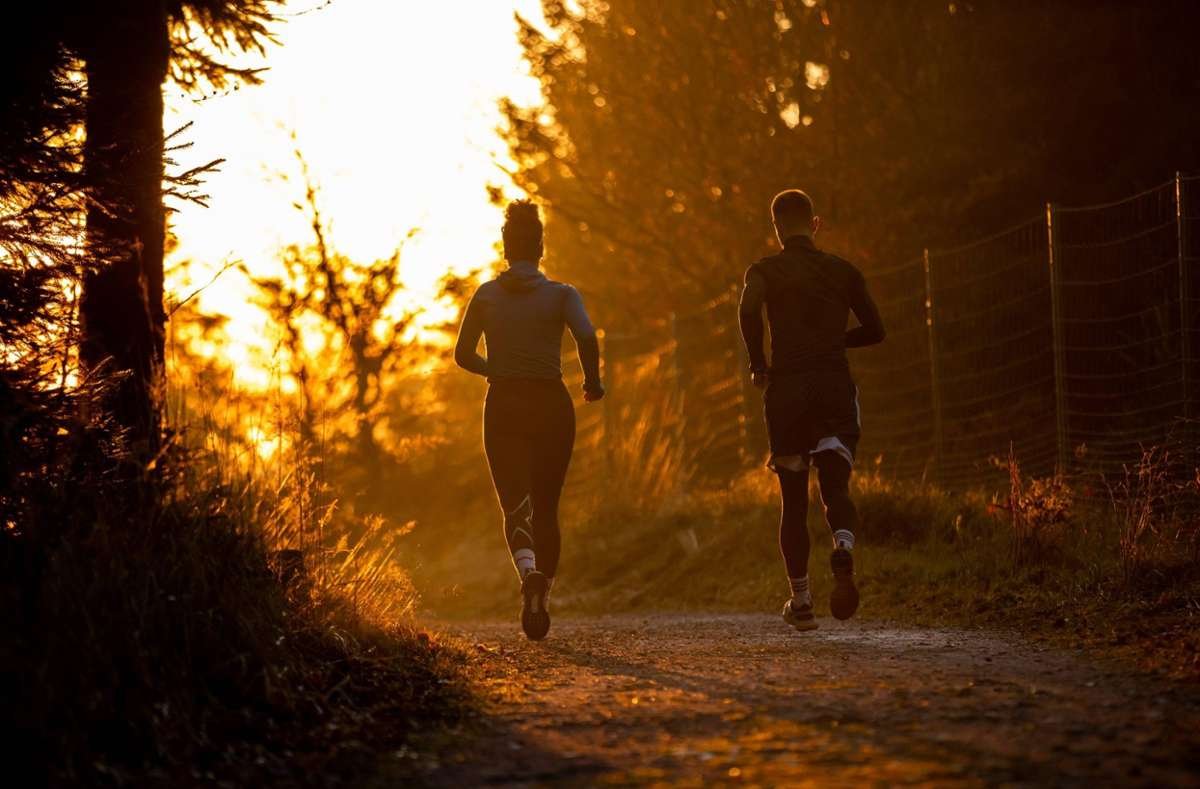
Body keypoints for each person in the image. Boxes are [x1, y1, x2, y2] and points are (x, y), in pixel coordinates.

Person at [454, 199, 604, 641]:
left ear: (505, 246)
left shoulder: (485, 295)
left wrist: (495, 370)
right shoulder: (562, 294)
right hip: (551, 403)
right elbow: (586, 336)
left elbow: (462, 355)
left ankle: (527, 573)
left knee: (514, 504)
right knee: (547, 506)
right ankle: (544, 590)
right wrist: (592, 383)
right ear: (540, 247)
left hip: (504, 403)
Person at [738, 189, 885, 631]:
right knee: (835, 488)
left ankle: (801, 601)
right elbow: (876, 330)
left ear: (776, 228)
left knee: (793, 501)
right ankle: (842, 544)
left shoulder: (764, 270)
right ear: (815, 224)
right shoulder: (843, 271)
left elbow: (747, 308)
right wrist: (836, 342)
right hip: (833, 388)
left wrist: (758, 362)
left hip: (786, 392)